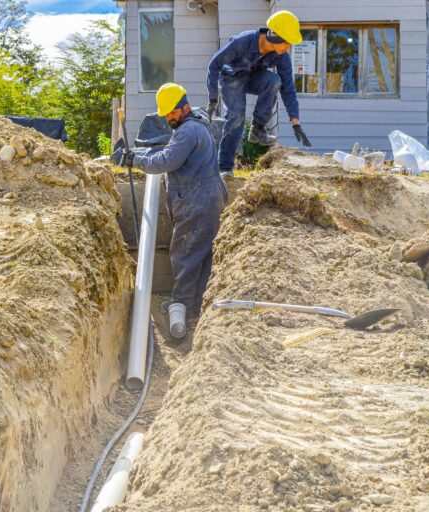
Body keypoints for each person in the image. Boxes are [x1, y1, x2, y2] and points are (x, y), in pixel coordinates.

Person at [122, 83, 227, 338]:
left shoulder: (187, 132)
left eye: (172, 112)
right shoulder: (197, 123)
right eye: (166, 113)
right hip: (206, 197)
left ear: (185, 107)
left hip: (196, 202)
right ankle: (194, 305)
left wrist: (136, 160)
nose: (168, 117)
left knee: (185, 253)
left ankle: (183, 307)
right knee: (201, 255)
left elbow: (166, 161)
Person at [206, 10, 312, 175]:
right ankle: (225, 167)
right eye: (287, 42)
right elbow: (214, 64)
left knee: (274, 81)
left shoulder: (281, 56)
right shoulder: (243, 42)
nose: (288, 47)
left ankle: (258, 128)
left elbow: (288, 87)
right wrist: (213, 98)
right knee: (236, 117)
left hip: (253, 76)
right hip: (230, 78)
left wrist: (295, 121)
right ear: (275, 36)